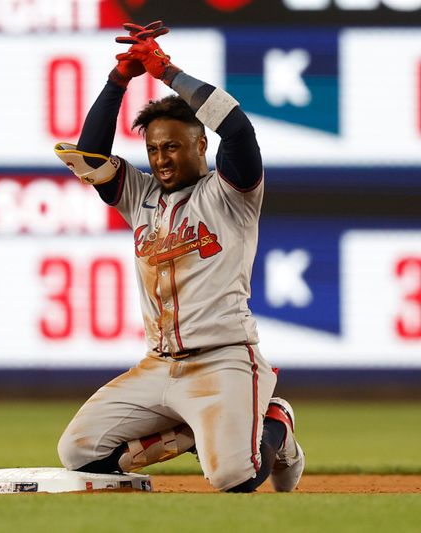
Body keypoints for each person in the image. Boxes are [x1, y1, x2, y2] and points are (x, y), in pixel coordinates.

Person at [54, 21, 305, 492]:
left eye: (172, 146)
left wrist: (166, 72)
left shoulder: (230, 191)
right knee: (79, 453)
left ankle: (277, 421)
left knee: (235, 475)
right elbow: (87, 156)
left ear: (200, 144)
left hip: (224, 359)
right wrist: (118, 80)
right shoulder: (140, 194)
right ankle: (196, 432)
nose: (161, 158)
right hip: (158, 363)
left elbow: (237, 124)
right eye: (152, 148)